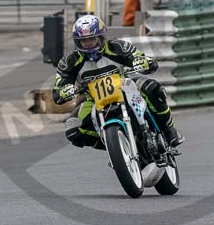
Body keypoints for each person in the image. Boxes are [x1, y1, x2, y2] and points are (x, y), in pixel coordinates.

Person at [52, 14, 184, 149]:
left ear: (102, 36)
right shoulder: (69, 61)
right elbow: (57, 92)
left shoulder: (118, 47)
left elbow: (143, 60)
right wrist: (66, 91)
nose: (88, 44)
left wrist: (142, 62)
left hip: (125, 88)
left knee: (152, 88)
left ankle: (168, 130)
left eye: (92, 38)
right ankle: (117, 148)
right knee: (73, 129)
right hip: (93, 100)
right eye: (83, 41)